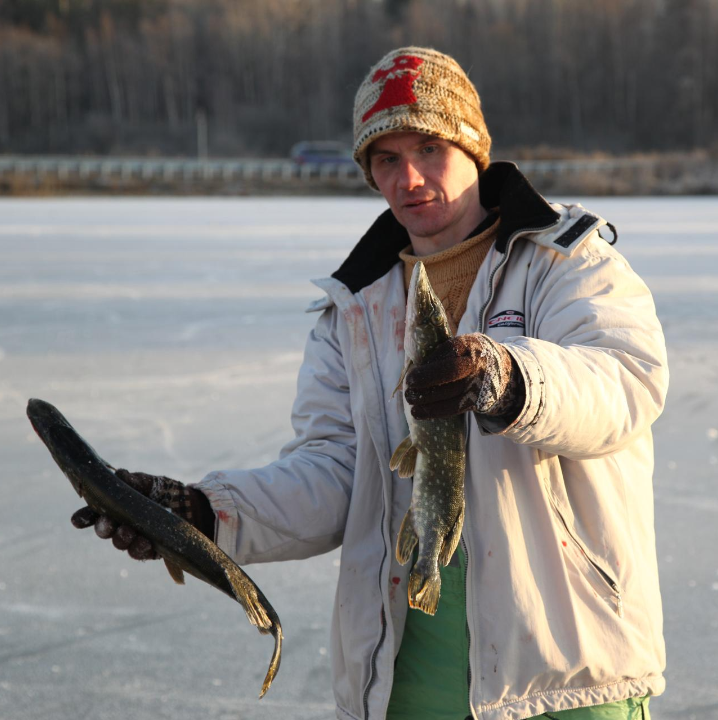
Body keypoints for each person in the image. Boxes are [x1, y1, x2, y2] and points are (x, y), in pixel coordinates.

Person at [71, 47, 669, 720]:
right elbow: (335, 476)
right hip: (407, 683)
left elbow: (623, 383)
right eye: (386, 159)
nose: (409, 178)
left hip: (565, 673)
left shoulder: (564, 259)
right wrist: (206, 515)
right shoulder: (355, 307)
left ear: (473, 147)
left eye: (429, 148)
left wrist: (508, 375)